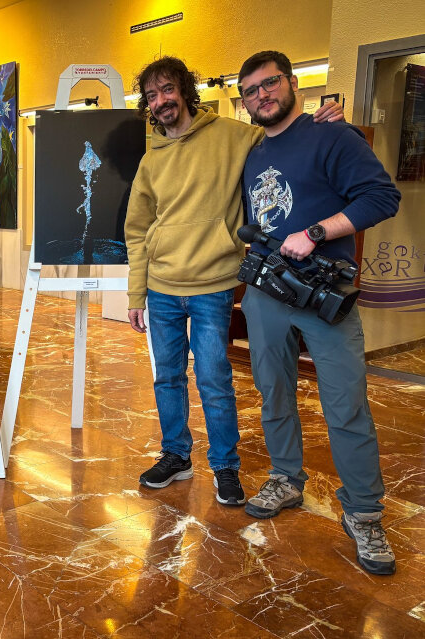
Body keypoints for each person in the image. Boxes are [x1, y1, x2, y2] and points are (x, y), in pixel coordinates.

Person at [124, 56, 342, 506]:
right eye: (151, 96)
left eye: (167, 90)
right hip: (162, 287)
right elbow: (137, 231)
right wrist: (136, 291)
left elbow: (285, 134)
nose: (161, 101)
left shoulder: (233, 135)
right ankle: (176, 456)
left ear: (184, 90)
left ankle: (225, 466)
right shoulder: (150, 161)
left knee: (214, 379)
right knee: (167, 379)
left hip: (212, 285)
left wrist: (330, 121)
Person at [238, 51, 400, 575]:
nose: (261, 95)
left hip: (323, 295)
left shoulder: (333, 136)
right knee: (273, 391)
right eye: (250, 91)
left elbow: (381, 197)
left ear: (292, 85)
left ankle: (364, 511)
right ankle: (286, 477)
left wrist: (315, 234)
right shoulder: (253, 152)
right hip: (266, 294)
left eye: (270, 84)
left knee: (346, 403)